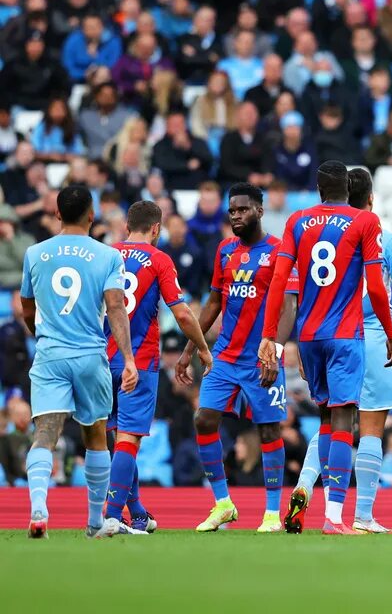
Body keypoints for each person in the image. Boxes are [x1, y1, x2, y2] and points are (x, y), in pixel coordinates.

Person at [284, 168, 392, 534]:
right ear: (371, 200)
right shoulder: (382, 238)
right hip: (370, 335)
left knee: (330, 420)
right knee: (370, 428)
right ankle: (361, 515)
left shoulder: (315, 230)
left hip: (321, 331)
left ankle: (304, 486)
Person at [259, 161, 392, 535]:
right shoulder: (365, 223)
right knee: (344, 420)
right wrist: (389, 331)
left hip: (308, 336)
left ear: (319, 190)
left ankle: (308, 490)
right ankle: (335, 517)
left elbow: (278, 282)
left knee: (324, 418)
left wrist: (270, 337)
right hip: (345, 333)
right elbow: (377, 286)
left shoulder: (296, 221)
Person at [177, 183, 298, 534]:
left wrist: (273, 348)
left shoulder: (278, 252)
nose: (236, 216)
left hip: (261, 357)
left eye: (243, 210)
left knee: (269, 428)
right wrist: (189, 349)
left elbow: (290, 304)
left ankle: (273, 513)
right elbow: (215, 302)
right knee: (204, 419)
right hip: (225, 356)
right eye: (232, 211)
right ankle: (223, 504)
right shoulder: (225, 250)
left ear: (259, 211)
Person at [21, 185, 136, 538]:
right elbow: (116, 307)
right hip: (89, 356)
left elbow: (28, 309)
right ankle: (93, 522)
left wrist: (41, 335)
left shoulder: (35, 253)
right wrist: (129, 359)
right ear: (91, 215)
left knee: (45, 434)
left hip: (51, 354)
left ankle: (39, 509)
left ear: (57, 214)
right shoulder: (107, 256)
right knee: (96, 436)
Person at [101, 201, 212, 532]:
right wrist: (202, 350)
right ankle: (109, 514)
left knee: (115, 438)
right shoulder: (160, 259)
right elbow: (180, 313)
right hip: (140, 359)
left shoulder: (106, 254)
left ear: (126, 227)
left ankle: (135, 510)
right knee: (130, 438)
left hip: (101, 358)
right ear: (156, 229)